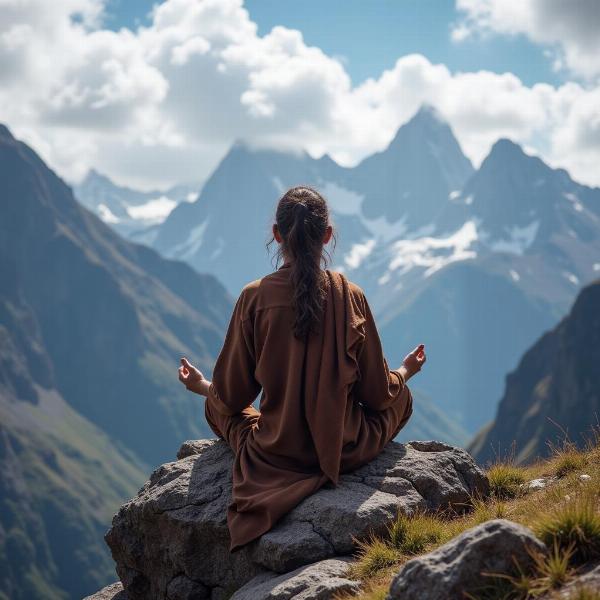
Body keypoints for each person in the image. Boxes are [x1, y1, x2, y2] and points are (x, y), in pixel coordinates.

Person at [177, 185, 426, 553]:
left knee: (217, 409)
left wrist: (202, 386)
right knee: (400, 399)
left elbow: (230, 399)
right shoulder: (350, 296)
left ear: (277, 235)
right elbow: (377, 395)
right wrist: (404, 373)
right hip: (344, 449)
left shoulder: (254, 297)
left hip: (274, 451)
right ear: (327, 236)